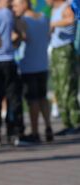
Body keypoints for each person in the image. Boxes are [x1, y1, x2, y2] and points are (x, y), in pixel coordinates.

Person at [0, 0, 26, 147]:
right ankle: (13, 132)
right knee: (12, 97)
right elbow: (19, 33)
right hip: (8, 59)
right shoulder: (7, 13)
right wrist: (14, 43)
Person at [12, 0, 53, 142]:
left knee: (32, 100)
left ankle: (35, 132)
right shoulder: (44, 17)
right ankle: (48, 127)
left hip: (28, 65)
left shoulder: (22, 21)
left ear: (24, 4)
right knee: (43, 97)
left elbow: (20, 40)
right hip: (43, 64)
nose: (14, 8)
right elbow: (49, 36)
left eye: (16, 5)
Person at [48, 0, 80, 135]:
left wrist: (53, 24)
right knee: (59, 89)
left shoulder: (66, 7)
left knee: (68, 88)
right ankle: (67, 122)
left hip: (65, 50)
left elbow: (71, 19)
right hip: (56, 50)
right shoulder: (54, 10)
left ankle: (76, 122)